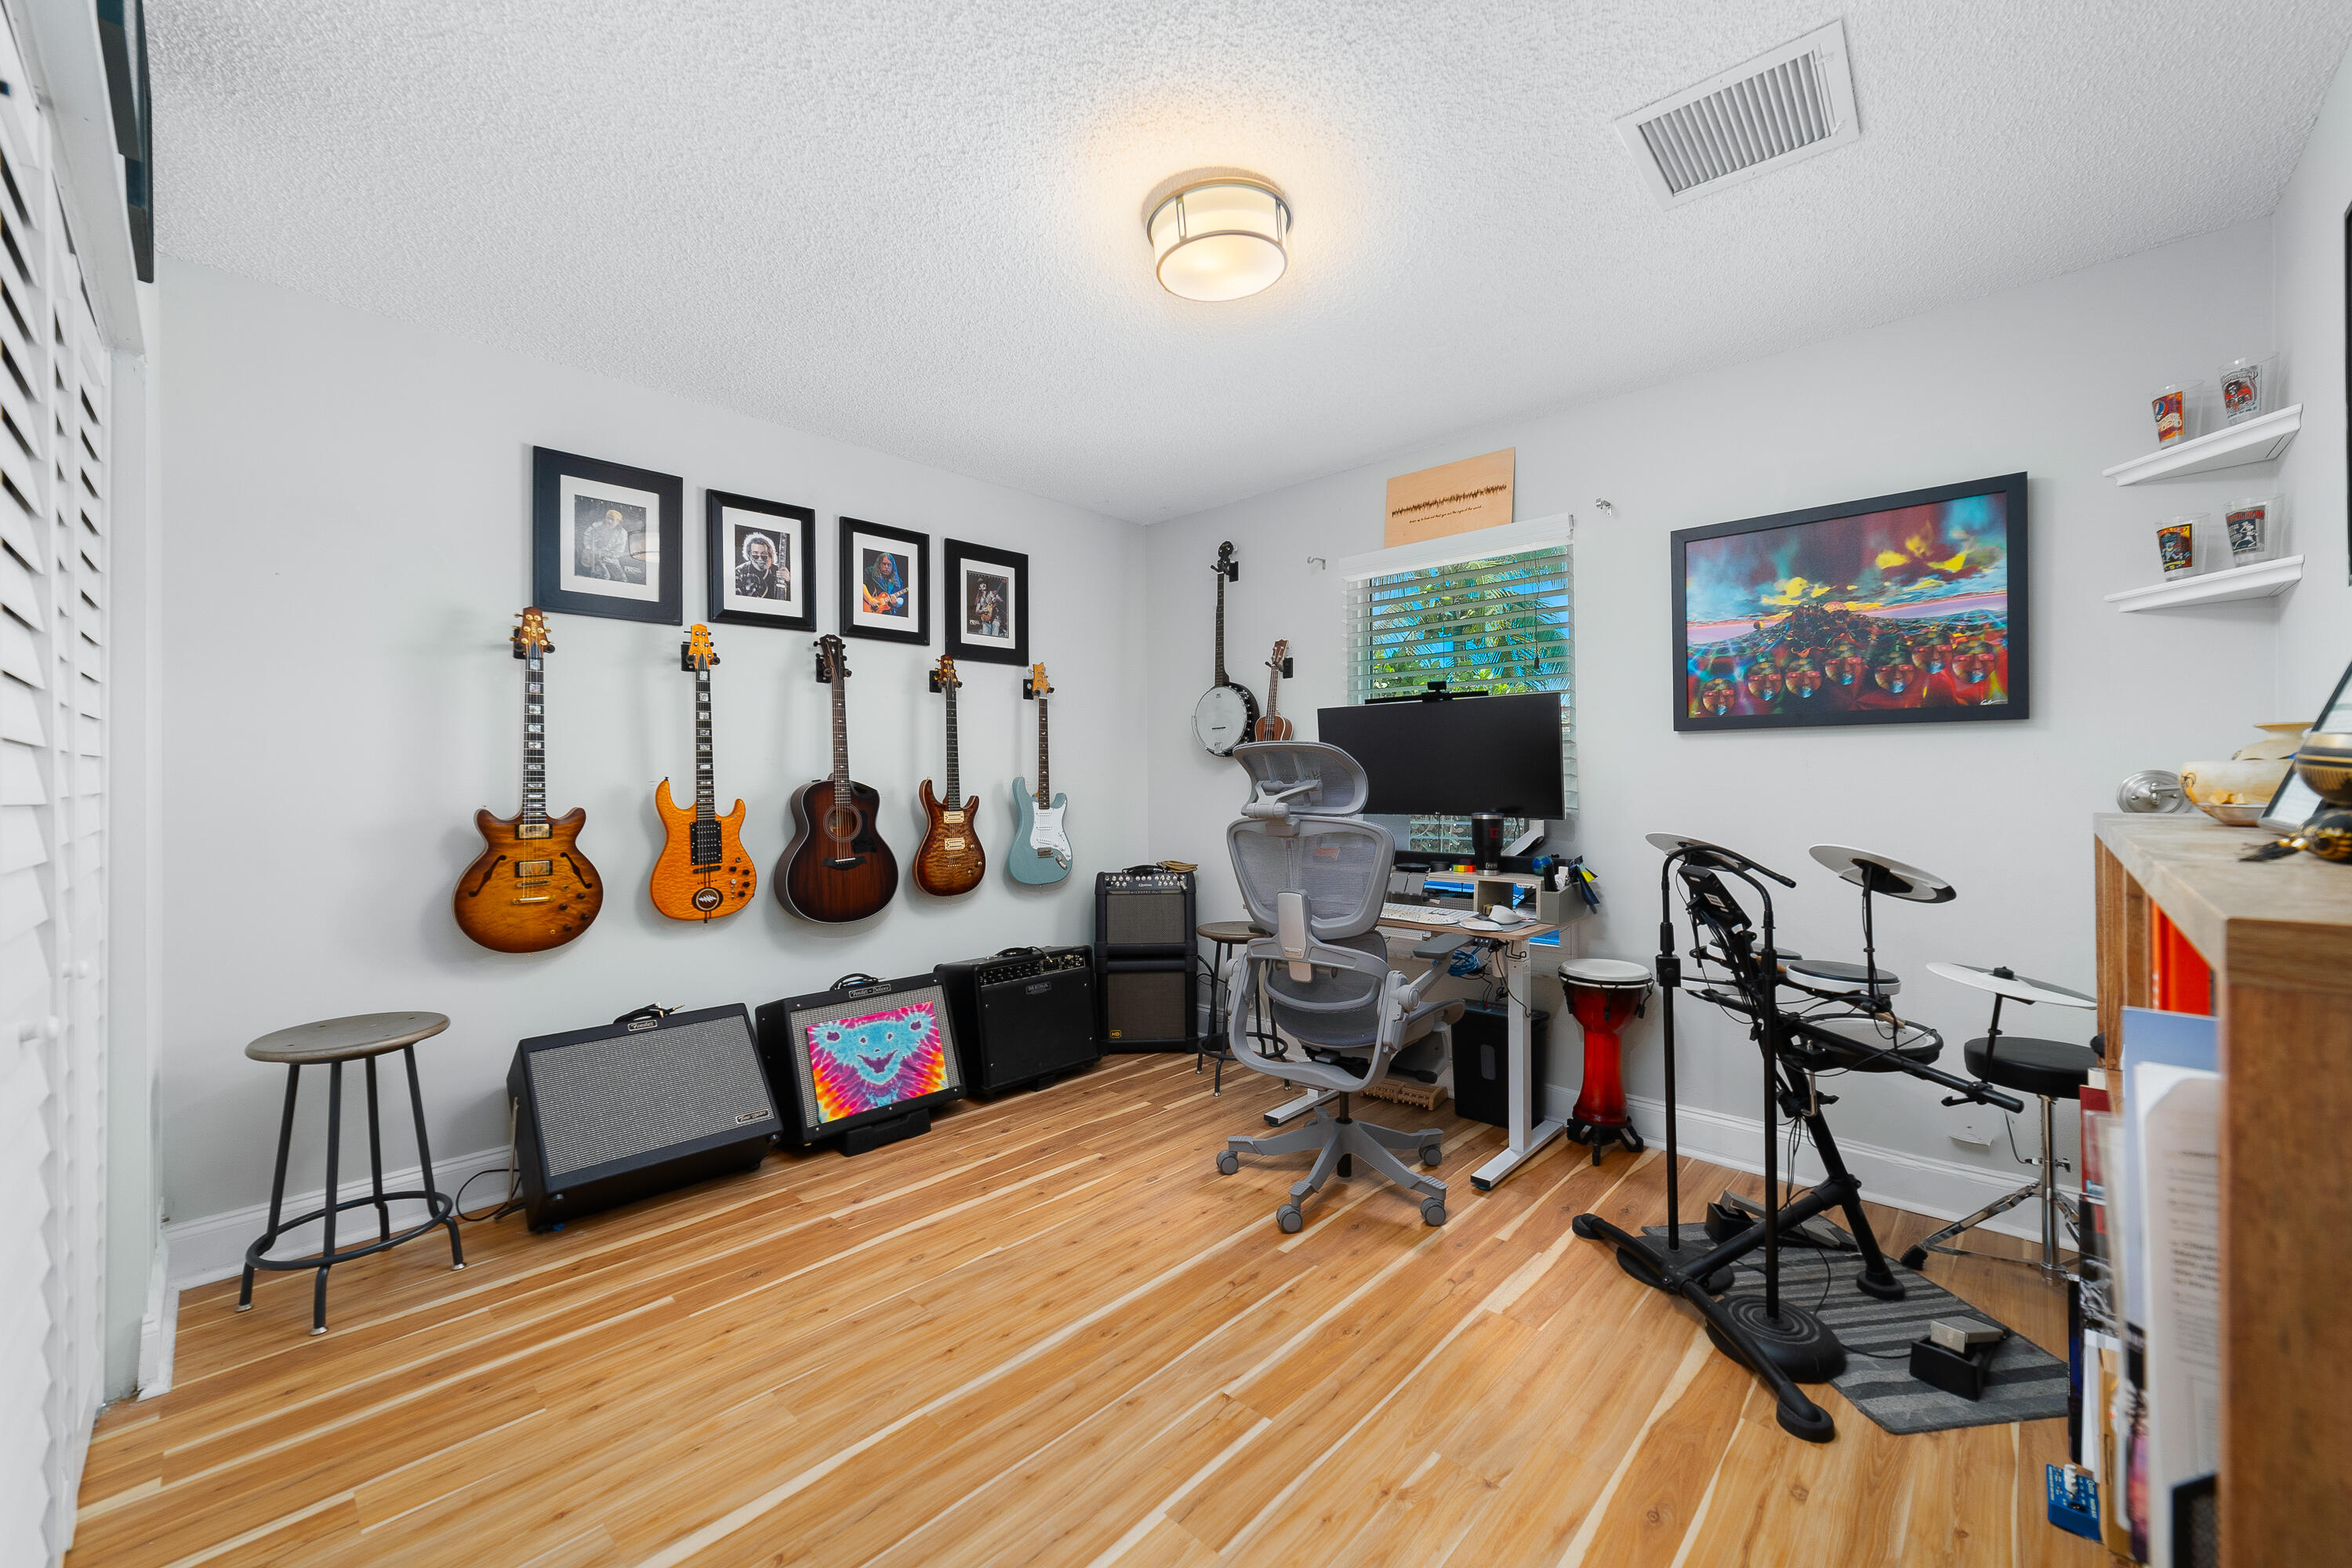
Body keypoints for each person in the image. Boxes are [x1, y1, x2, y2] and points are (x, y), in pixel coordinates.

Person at [579, 506, 634, 581]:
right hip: (594, 557)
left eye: (612, 519)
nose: (609, 521)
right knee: (605, 576)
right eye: (608, 518)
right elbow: (587, 537)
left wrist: (608, 554)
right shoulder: (596, 526)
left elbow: (620, 550)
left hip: (611, 559)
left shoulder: (623, 533)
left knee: (622, 579)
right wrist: (590, 550)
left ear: (618, 522)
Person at [735, 532, 782, 599]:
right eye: (755, 555)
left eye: (764, 555)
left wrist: (789, 581)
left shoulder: (778, 571)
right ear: (749, 555)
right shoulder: (739, 573)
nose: (760, 559)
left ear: (770, 555)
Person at [863, 550, 906, 617]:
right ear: (879, 564)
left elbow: (902, 598)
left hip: (889, 615)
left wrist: (896, 603)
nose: (886, 567)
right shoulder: (870, 572)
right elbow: (861, 585)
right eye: (884, 564)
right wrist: (869, 599)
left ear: (893, 566)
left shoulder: (898, 581)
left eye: (889, 565)